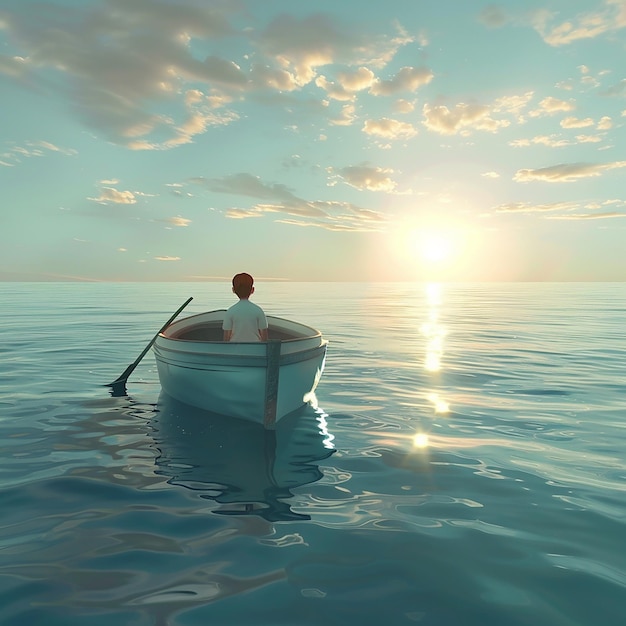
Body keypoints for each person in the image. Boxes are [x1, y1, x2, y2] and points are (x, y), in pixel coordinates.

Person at [222, 273, 268, 342]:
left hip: (234, 350)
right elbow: (264, 337)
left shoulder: (230, 311)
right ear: (252, 290)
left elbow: (226, 338)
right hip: (256, 349)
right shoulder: (258, 310)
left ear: (233, 290)